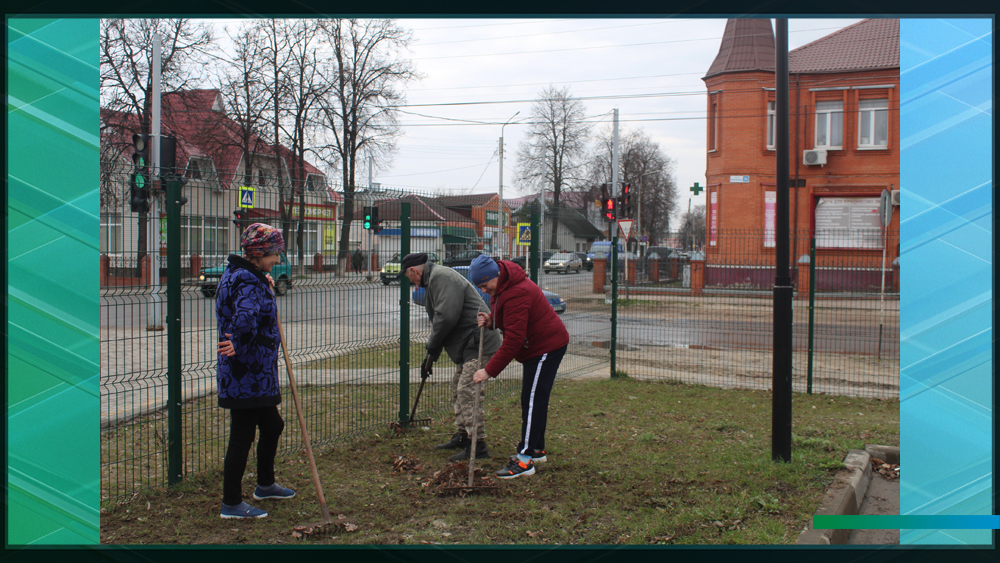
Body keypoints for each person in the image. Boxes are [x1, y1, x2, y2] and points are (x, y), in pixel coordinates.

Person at [215, 223, 296, 519]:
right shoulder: (247, 281)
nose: (278, 259)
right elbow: (246, 316)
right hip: (246, 374)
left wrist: (265, 283)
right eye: (275, 254)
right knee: (242, 435)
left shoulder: (246, 275)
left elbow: (251, 308)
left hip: (257, 372)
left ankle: (265, 484)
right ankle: (232, 503)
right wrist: (237, 339)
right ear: (259, 253)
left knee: (273, 425)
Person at [470, 254, 569, 479]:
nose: (484, 291)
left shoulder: (516, 291)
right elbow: (508, 316)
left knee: (533, 399)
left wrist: (488, 370)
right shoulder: (502, 285)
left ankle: (524, 460)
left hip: (546, 347)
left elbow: (514, 340)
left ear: (494, 275)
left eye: (485, 285)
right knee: (534, 399)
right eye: (480, 287)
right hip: (537, 346)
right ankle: (536, 450)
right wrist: (492, 320)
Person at [400, 252, 501, 462]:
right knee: (458, 386)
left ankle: (478, 443)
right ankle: (463, 435)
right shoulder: (432, 280)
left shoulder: (441, 277)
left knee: (467, 389)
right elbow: (442, 320)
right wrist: (431, 356)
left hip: (480, 342)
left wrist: (431, 349)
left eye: (408, 276)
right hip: (468, 345)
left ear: (415, 271)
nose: (409, 280)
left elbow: (446, 317)